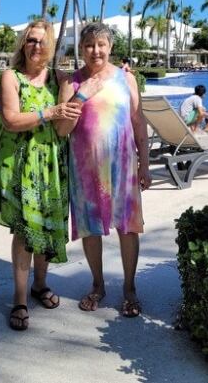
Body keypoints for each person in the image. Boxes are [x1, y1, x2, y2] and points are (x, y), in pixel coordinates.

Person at [0, 19, 83, 332]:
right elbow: (12, 120)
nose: (36, 46)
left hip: (52, 164)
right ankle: (18, 299)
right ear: (22, 44)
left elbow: (64, 127)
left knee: (47, 228)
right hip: (20, 164)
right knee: (25, 232)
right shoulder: (10, 77)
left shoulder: (59, 79)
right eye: (30, 40)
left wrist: (71, 95)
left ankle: (39, 285)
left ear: (51, 46)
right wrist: (50, 112)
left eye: (42, 41)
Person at [57, 22, 152, 318]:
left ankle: (130, 288)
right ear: (81, 49)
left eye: (101, 45)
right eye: (89, 45)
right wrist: (80, 96)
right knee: (90, 229)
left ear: (110, 47)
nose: (95, 51)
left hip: (122, 167)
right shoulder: (71, 82)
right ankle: (97, 285)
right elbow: (62, 129)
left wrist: (145, 164)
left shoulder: (127, 80)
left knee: (128, 227)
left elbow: (138, 122)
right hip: (85, 169)